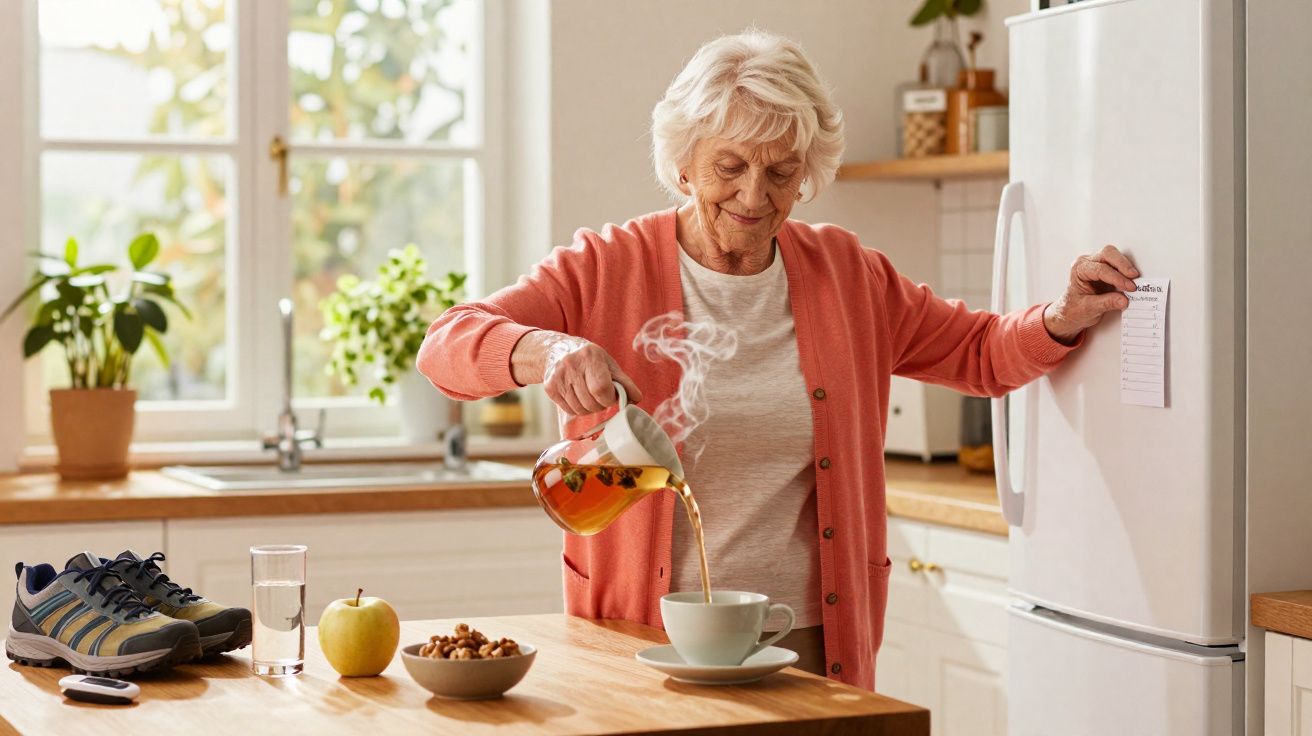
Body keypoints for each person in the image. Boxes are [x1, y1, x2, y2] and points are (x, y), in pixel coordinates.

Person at [417, 29, 1137, 691]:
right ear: (684, 163)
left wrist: (1061, 316)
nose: (754, 197)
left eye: (782, 172)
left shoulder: (847, 274)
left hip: (806, 645)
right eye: (729, 166)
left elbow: (979, 351)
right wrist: (541, 349)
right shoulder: (606, 266)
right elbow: (445, 345)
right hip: (639, 644)